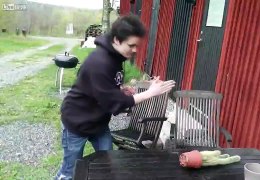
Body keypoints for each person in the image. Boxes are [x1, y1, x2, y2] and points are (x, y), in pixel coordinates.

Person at [55, 15, 175, 180]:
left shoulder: (116, 57)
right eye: (131, 45)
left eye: (136, 46)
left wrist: (121, 89)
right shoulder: (100, 62)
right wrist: (150, 93)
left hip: (98, 124)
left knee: (108, 164)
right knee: (71, 171)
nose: (135, 50)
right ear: (117, 40)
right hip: (77, 123)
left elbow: (106, 86)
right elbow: (115, 104)